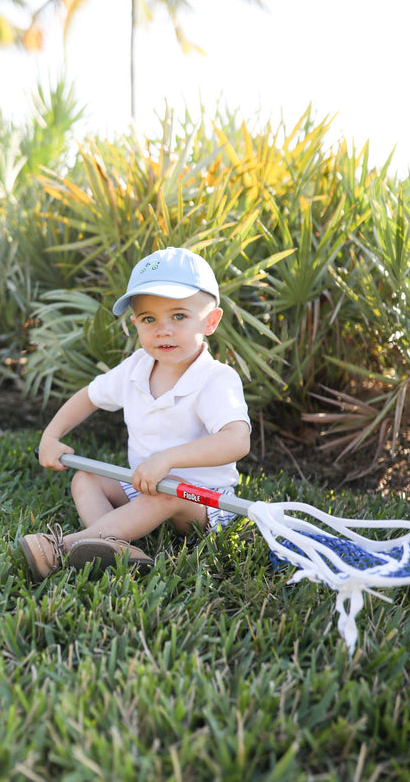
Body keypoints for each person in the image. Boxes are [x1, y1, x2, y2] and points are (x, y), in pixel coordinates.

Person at [19, 246, 251, 581]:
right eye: (149, 319)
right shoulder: (137, 367)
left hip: (200, 501)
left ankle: (63, 549)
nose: (163, 329)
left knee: (166, 490)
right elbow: (89, 396)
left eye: (179, 316)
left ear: (210, 321)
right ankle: (113, 545)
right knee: (86, 478)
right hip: (142, 484)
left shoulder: (216, 379)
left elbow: (236, 440)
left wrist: (169, 458)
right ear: (135, 324)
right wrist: (51, 436)